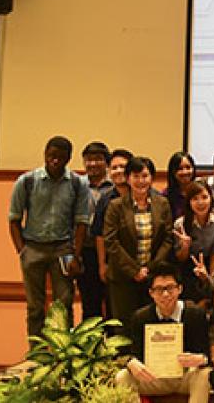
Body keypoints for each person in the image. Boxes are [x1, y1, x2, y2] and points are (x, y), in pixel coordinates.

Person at [8, 136, 89, 337]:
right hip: (33, 248)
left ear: (69, 158)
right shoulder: (26, 181)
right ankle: (37, 354)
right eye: (52, 156)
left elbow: (81, 223)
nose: (55, 161)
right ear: (45, 153)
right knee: (35, 306)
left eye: (61, 157)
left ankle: (63, 352)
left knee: (64, 305)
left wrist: (75, 256)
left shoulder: (78, 184)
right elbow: (14, 220)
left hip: (64, 249)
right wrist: (22, 251)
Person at [116, 262, 210, 403]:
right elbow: (125, 352)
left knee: (205, 374)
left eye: (170, 288)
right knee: (123, 376)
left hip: (184, 378)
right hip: (152, 378)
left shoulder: (195, 314)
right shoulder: (140, 317)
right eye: (159, 289)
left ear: (180, 289)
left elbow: (207, 354)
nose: (165, 294)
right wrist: (131, 362)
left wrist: (200, 359)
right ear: (151, 293)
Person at [104, 156, 174, 334]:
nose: (141, 181)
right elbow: (111, 242)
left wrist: (151, 268)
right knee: (124, 326)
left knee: (151, 325)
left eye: (145, 176)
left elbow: (168, 238)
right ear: (128, 179)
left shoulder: (162, 204)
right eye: (136, 176)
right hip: (123, 277)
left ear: (152, 178)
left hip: (153, 277)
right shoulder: (115, 206)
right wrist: (134, 270)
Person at [172, 181, 214, 304]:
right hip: (187, 267)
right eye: (195, 199)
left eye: (204, 197)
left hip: (209, 263)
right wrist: (185, 246)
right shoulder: (180, 224)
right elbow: (180, 258)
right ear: (189, 202)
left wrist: (209, 278)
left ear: (211, 198)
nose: (200, 202)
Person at [78, 141, 114, 320]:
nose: (93, 163)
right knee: (90, 304)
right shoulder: (77, 185)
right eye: (89, 159)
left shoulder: (115, 186)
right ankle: (90, 346)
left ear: (106, 162)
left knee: (113, 304)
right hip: (85, 250)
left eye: (98, 159)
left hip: (111, 252)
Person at [92, 149, 134, 290]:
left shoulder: (144, 195)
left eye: (122, 166)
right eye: (114, 167)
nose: (118, 171)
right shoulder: (105, 199)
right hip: (115, 264)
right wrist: (102, 264)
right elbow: (99, 234)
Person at [162, 152, 196, 219]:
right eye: (180, 169)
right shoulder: (165, 196)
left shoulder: (200, 191)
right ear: (173, 171)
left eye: (188, 167)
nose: (185, 172)